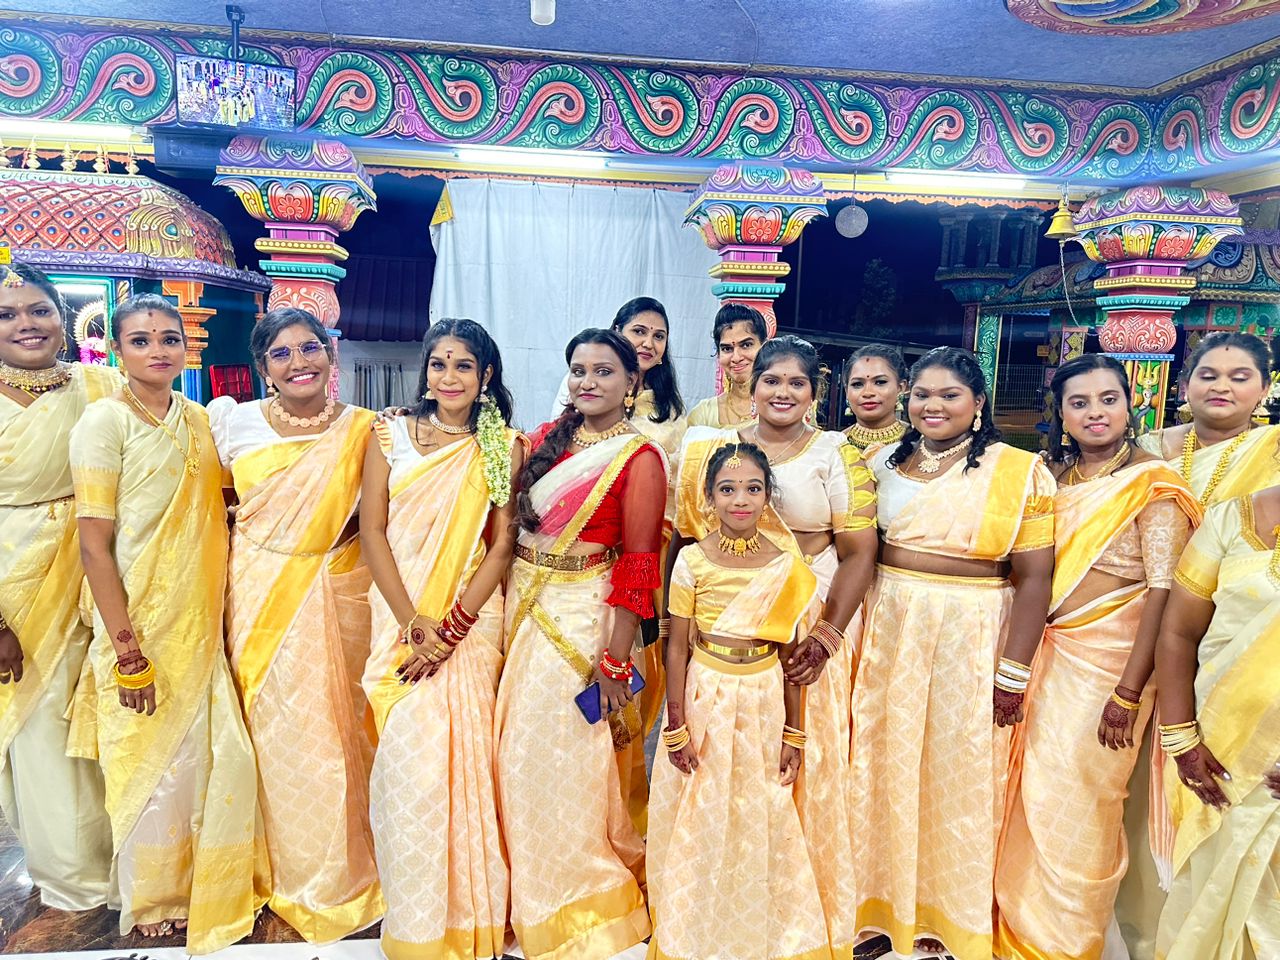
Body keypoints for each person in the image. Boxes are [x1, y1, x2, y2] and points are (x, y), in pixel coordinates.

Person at [673, 335, 878, 957]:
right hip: (732, 620)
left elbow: (859, 552)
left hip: (815, 614)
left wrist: (827, 634)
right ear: (750, 383)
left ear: (815, 392)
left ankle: (805, 902)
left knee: (811, 753)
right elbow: (689, 544)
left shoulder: (837, 452)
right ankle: (725, 893)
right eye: (771, 380)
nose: (782, 392)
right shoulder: (712, 450)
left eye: (797, 382)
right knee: (728, 759)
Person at [69, 295, 263, 952]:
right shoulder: (104, 422)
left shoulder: (201, 419)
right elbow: (94, 546)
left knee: (208, 763)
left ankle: (205, 884)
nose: (158, 350)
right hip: (139, 628)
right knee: (149, 771)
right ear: (116, 350)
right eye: (141, 339)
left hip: (200, 623)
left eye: (169, 338)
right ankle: (152, 896)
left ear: (186, 347)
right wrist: (127, 650)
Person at [851, 346, 1055, 960]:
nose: (932, 406)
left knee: (958, 770)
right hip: (890, 622)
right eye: (922, 394)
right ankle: (877, 911)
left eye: (949, 395)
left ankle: (947, 919)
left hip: (973, 627)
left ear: (978, 402)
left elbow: (1035, 578)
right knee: (880, 760)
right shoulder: (880, 462)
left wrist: (1013, 672)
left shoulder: (1018, 471)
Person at [994, 354, 1199, 960]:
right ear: (1060, 413)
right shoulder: (1052, 478)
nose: (1095, 413)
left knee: (1084, 800)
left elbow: (1163, 594)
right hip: (1048, 652)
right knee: (1029, 791)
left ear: (1130, 404)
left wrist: (1130, 692)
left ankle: (1066, 942)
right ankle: (1017, 930)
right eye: (1079, 403)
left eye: (1108, 399)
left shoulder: (1153, 484)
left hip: (1112, 665)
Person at [208, 307, 382, 943]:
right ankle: (287, 869)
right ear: (263, 367)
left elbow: (383, 519)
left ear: (330, 356)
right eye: (281, 353)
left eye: (309, 348)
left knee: (346, 730)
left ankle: (350, 865)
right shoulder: (232, 423)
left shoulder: (367, 429)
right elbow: (212, 509)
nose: (298, 362)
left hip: (343, 590)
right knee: (280, 731)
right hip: (260, 591)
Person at [495, 328, 666, 960]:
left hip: (582, 615)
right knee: (509, 753)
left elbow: (640, 564)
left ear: (632, 382)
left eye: (603, 371)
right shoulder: (545, 439)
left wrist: (616, 658)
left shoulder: (640, 458)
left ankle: (574, 898)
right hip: (521, 604)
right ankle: (519, 892)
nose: (587, 381)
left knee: (554, 756)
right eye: (578, 370)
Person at [361, 319, 524, 960]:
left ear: (486, 376)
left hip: (470, 622)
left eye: (463, 366)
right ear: (424, 370)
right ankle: (416, 919)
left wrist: (453, 626)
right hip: (400, 618)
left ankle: (466, 919)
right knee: (410, 770)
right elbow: (373, 531)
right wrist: (413, 622)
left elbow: (503, 544)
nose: (449, 377)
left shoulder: (501, 445)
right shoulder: (389, 435)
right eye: (438, 364)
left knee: (466, 767)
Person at [648, 442, 827, 960]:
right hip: (706, 690)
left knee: (760, 807)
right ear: (709, 497)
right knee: (701, 807)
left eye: (753, 488)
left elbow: (791, 653)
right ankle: (693, 925)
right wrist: (675, 725)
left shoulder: (785, 564)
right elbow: (677, 648)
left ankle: (757, 926)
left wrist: (794, 732)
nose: (741, 500)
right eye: (727, 489)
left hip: (764, 693)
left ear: (768, 496)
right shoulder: (691, 560)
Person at [0, 262, 116, 912]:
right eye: (6, 314)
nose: (26, 324)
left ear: (62, 318)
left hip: (104, 571)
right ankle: (74, 879)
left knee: (107, 714)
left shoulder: (102, 385)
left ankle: (134, 865)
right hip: (15, 586)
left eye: (39, 310)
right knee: (43, 731)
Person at [1151, 481, 1280, 959]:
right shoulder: (1228, 520)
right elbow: (1178, 632)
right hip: (1220, 752)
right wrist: (1181, 739)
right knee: (1206, 907)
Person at [1137, 332, 1279, 505]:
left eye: (1239, 378)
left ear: (1265, 389)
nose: (1220, 387)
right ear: (1186, 386)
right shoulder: (1149, 449)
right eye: (1208, 377)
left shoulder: (1274, 447)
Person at [550, 297, 686, 456]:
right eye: (639, 331)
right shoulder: (583, 383)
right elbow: (559, 436)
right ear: (617, 331)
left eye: (659, 336)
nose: (649, 344)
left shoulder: (669, 400)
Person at [687, 304, 767, 430]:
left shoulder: (781, 408)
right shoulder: (703, 415)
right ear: (718, 354)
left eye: (746, 345)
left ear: (765, 347)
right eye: (727, 349)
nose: (736, 358)